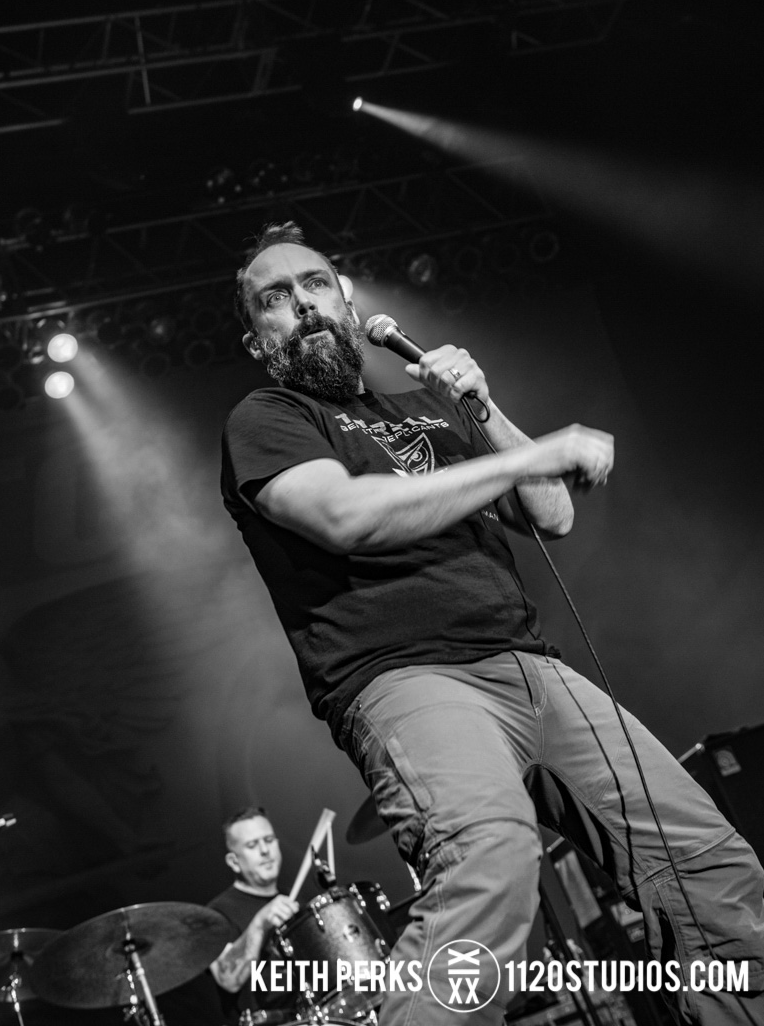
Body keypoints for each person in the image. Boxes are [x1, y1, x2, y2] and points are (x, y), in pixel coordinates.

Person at [221, 221, 764, 1025]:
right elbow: (343, 516)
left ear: (348, 303)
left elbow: (549, 515)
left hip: (529, 665)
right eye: (275, 297)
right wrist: (528, 454)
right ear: (256, 339)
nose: (301, 304)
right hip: (404, 677)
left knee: (708, 866)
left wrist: (483, 407)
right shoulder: (265, 417)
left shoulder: (424, 403)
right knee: (489, 863)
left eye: (315, 285)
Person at [208, 806, 299, 1025]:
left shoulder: (294, 902)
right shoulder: (215, 915)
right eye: (252, 845)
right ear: (234, 861)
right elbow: (228, 979)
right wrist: (259, 924)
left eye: (269, 840)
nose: (265, 850)